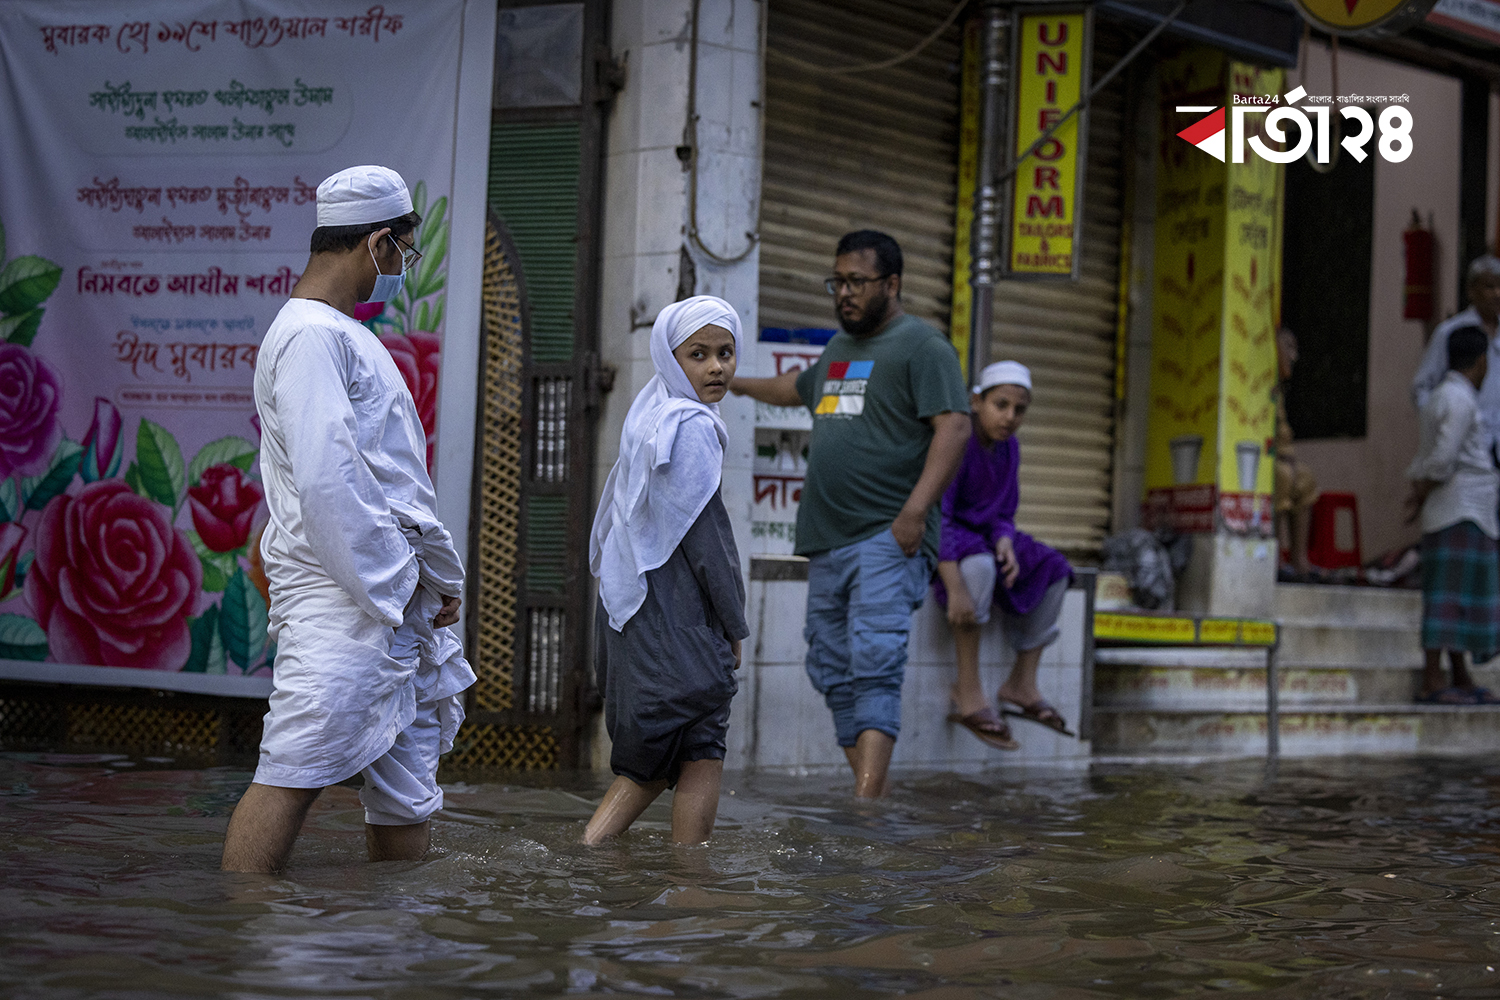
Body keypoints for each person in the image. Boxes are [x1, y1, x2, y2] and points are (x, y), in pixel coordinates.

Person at [221, 165, 475, 873]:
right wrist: (395, 588)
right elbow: (332, 481)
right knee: (293, 773)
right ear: (379, 243)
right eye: (405, 252)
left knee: (405, 796)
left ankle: (388, 951)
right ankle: (243, 935)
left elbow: (388, 481)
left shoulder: (338, 333)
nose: (400, 268)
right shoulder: (308, 336)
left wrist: (426, 582)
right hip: (348, 600)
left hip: (390, 602)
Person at [731, 230, 971, 797]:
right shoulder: (841, 349)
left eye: (856, 282)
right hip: (828, 537)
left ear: (892, 284)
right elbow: (797, 388)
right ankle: (871, 792)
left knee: (874, 661)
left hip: (888, 535)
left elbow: (955, 425)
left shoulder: (923, 347)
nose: (843, 293)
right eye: (837, 282)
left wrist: (914, 512)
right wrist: (729, 382)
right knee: (830, 666)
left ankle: (865, 806)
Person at [583, 296, 748, 844]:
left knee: (671, 750)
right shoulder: (692, 427)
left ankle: (597, 854)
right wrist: (734, 624)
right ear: (671, 359)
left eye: (725, 352)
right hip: (677, 621)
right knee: (694, 750)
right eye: (698, 354)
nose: (716, 366)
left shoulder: (651, 413)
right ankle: (688, 883)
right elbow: (710, 543)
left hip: (637, 611)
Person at [934, 361, 1073, 750]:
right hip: (947, 538)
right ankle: (967, 690)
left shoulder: (1009, 447)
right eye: (1001, 405)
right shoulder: (957, 439)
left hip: (982, 537)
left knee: (1055, 567)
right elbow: (937, 514)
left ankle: (1021, 684)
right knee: (978, 566)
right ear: (977, 401)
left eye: (1019, 409)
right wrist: (953, 584)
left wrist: (1005, 541)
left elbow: (1003, 512)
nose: (1010, 417)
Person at [1405, 325, 1500, 705]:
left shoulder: (1440, 397)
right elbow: (1442, 459)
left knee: (1458, 596)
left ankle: (1459, 673)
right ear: (1481, 362)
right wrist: (1424, 489)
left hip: (1462, 510)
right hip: (1461, 509)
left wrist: (1418, 494)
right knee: (1448, 598)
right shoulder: (1460, 400)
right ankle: (1433, 678)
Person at [1411, 254, 1500, 422]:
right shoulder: (1451, 331)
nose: (1497, 294)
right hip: (1466, 433)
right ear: (1472, 290)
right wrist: (1439, 421)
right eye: (1490, 287)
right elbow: (1421, 388)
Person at [1273, 327, 1320, 580]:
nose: (1293, 356)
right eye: (1288, 348)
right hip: (1272, 461)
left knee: (1305, 479)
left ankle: (1299, 559)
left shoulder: (1280, 389)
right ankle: (1275, 558)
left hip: (1286, 458)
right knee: (1282, 478)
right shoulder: (1264, 384)